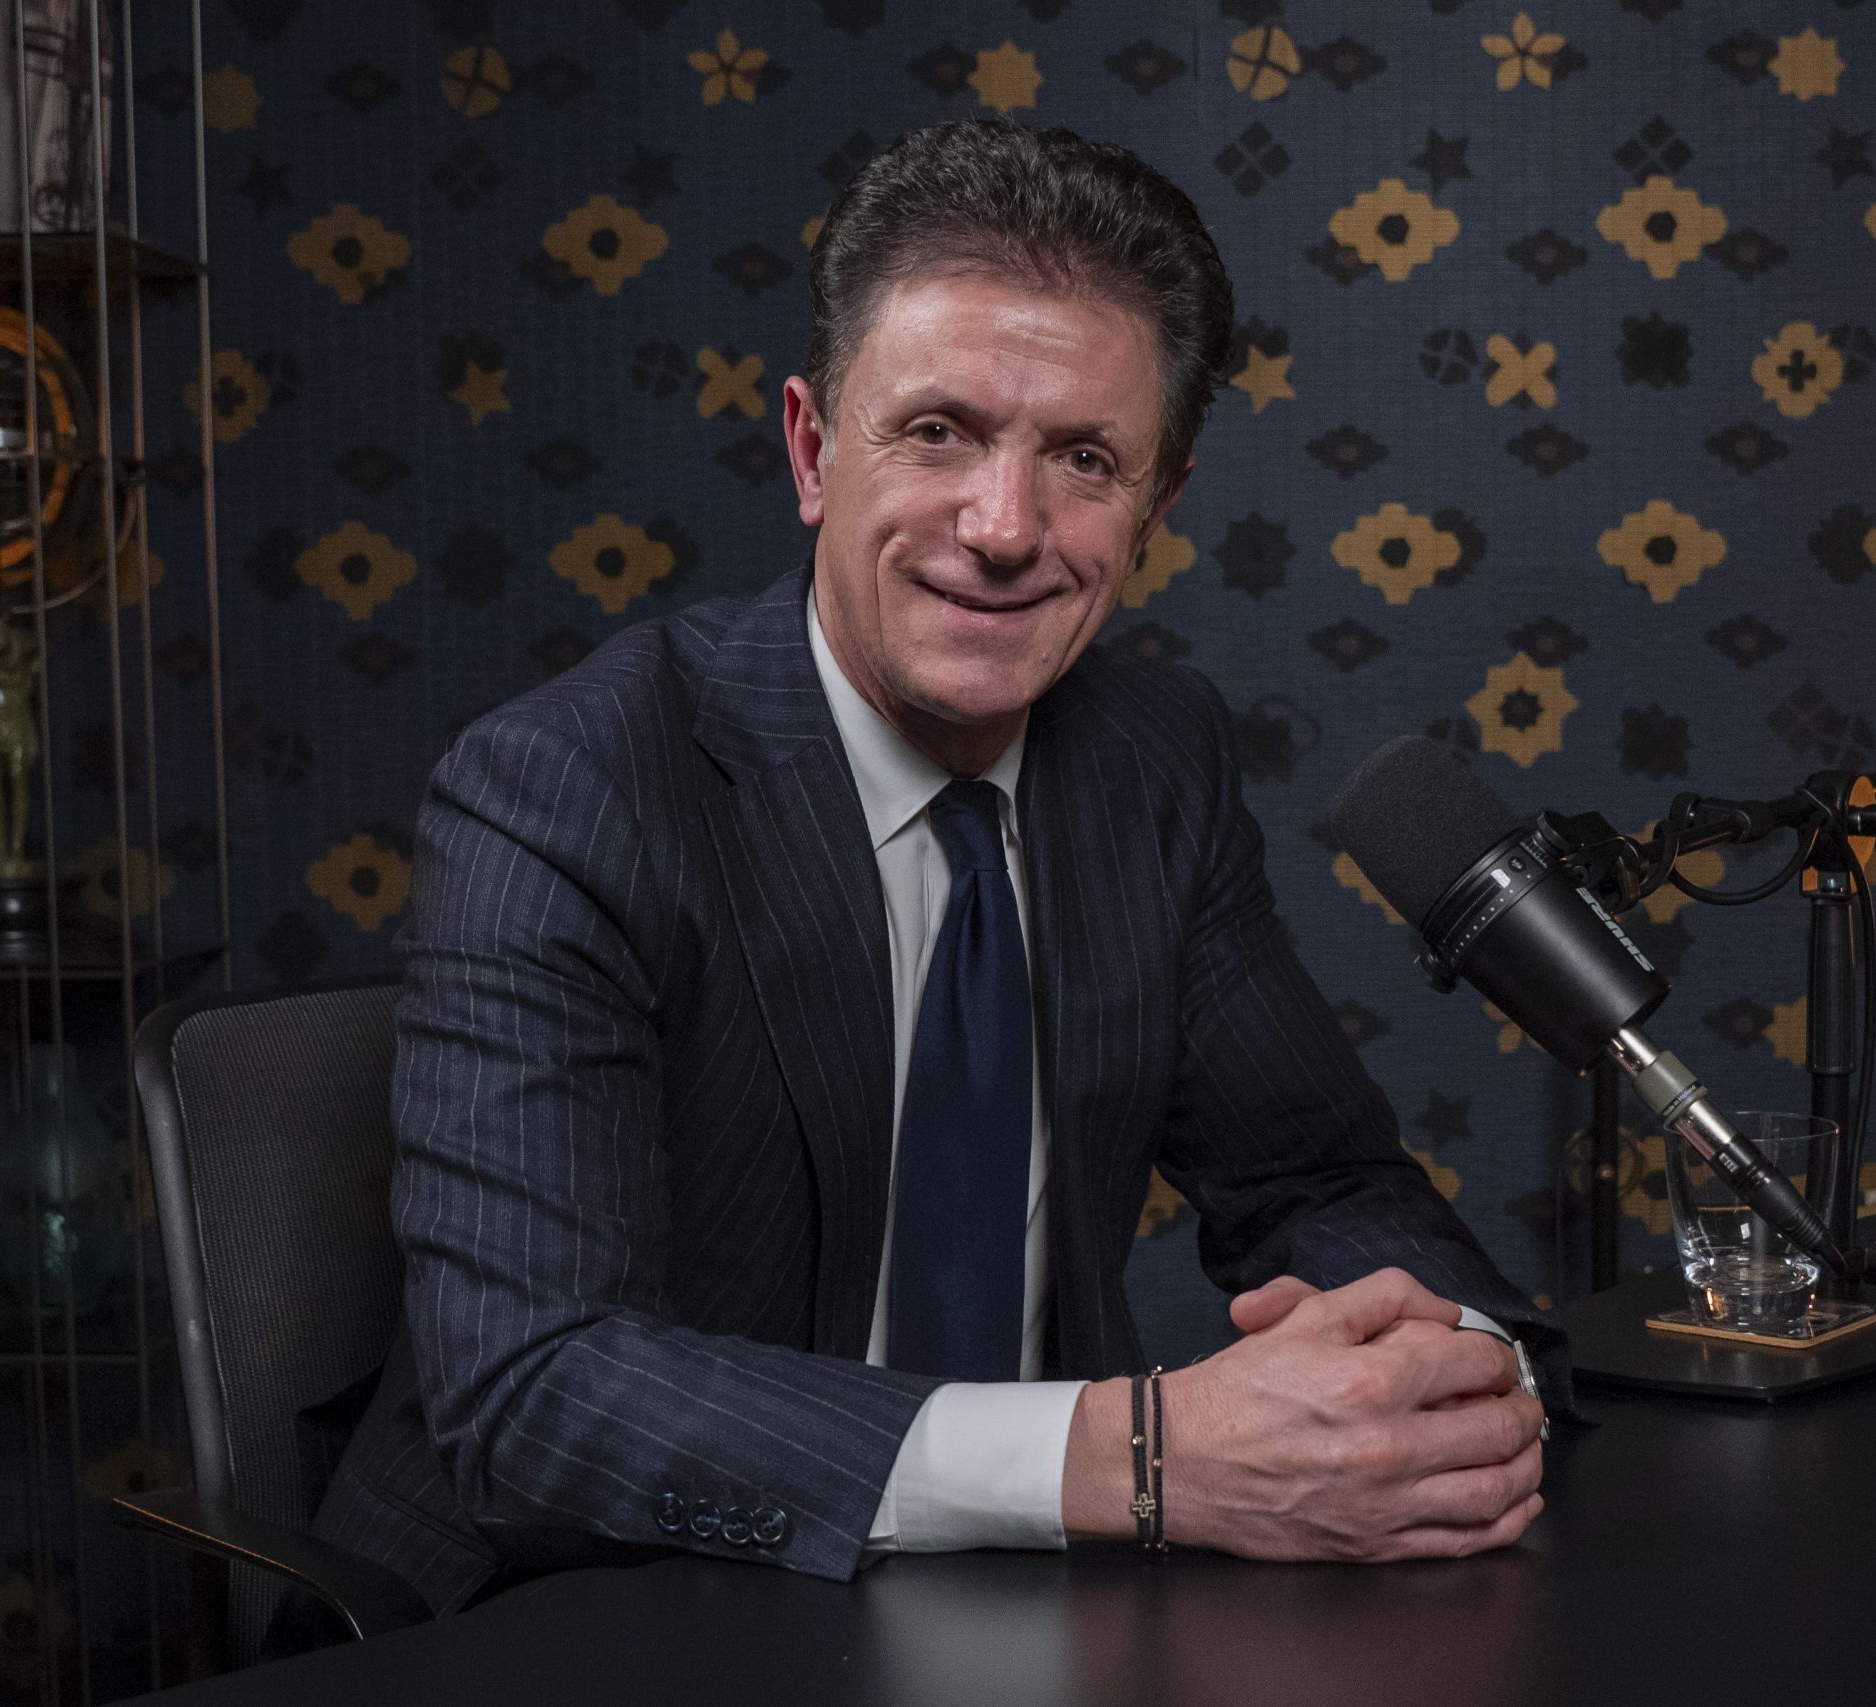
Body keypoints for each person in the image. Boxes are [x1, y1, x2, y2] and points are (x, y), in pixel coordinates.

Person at [312, 120, 1566, 1618]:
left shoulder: (1149, 760)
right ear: (812, 451)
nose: (1004, 528)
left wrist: (1468, 1387)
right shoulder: (570, 788)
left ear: (1156, 508)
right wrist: (1135, 1456)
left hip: (1010, 1619)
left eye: (1084, 460)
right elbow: (536, 1387)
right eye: (938, 432)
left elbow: (1319, 1176)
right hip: (583, 1611)